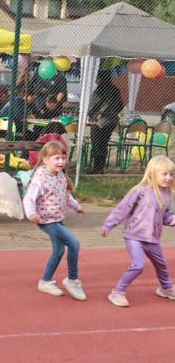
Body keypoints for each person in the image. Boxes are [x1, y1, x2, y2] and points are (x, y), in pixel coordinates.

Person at [101, 156, 175, 307]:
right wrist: (108, 225)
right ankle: (118, 292)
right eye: (164, 174)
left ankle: (166, 288)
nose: (168, 178)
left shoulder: (168, 195)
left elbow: (166, 217)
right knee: (138, 265)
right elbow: (122, 209)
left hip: (153, 238)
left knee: (161, 264)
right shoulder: (139, 191)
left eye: (171, 174)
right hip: (134, 236)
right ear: (151, 174)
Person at [22, 139, 86, 300]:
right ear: (45, 159)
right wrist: (31, 213)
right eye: (56, 158)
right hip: (46, 221)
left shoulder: (61, 176)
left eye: (63, 158)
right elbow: (28, 199)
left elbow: (66, 195)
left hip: (57, 219)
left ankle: (45, 282)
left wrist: (77, 207)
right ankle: (72, 280)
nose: (61, 162)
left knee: (59, 250)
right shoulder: (40, 179)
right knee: (74, 243)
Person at [86, 69, 123, 174]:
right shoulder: (115, 89)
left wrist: (90, 114)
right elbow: (120, 105)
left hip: (99, 121)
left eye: (97, 78)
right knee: (104, 144)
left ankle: (96, 168)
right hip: (111, 121)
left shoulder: (100, 89)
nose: (95, 80)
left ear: (101, 78)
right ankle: (100, 168)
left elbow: (93, 105)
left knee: (97, 144)